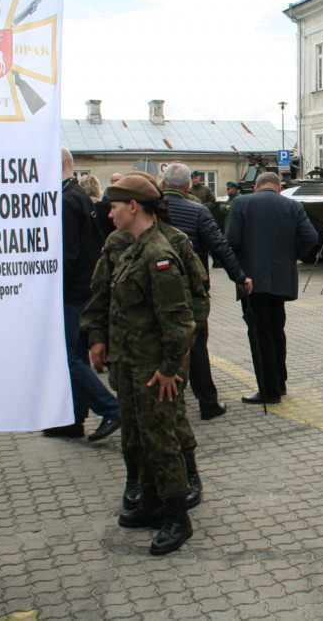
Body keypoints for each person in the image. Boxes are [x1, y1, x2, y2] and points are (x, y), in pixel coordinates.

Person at [84, 169, 209, 515]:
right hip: (129, 352)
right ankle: (138, 483)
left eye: (116, 205)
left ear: (137, 204)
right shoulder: (117, 242)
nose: (110, 214)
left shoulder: (172, 243)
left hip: (166, 352)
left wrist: (181, 349)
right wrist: (97, 336)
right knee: (136, 423)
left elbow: (196, 300)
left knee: (171, 420)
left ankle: (187, 475)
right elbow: (101, 294)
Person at [162, 162, 252, 419]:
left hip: (156, 289)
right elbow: (220, 247)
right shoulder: (198, 211)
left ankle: (168, 399)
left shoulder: (151, 209)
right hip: (192, 288)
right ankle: (207, 403)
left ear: (163, 184)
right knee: (197, 343)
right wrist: (239, 277)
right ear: (188, 185)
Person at [44, 147, 122, 442]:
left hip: (73, 292)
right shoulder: (77, 195)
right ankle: (74, 419)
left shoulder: (66, 200)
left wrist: (53, 291)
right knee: (75, 355)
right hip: (84, 288)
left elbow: (67, 253)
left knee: (70, 358)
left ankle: (111, 409)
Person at [226, 172, 318, 405]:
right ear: (279, 187)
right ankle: (280, 383)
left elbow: (231, 242)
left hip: (251, 281)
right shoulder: (292, 205)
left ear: (256, 187)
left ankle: (269, 391)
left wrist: (238, 271)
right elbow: (311, 236)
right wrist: (290, 257)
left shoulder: (241, 203)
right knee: (277, 331)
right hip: (281, 280)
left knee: (260, 335)